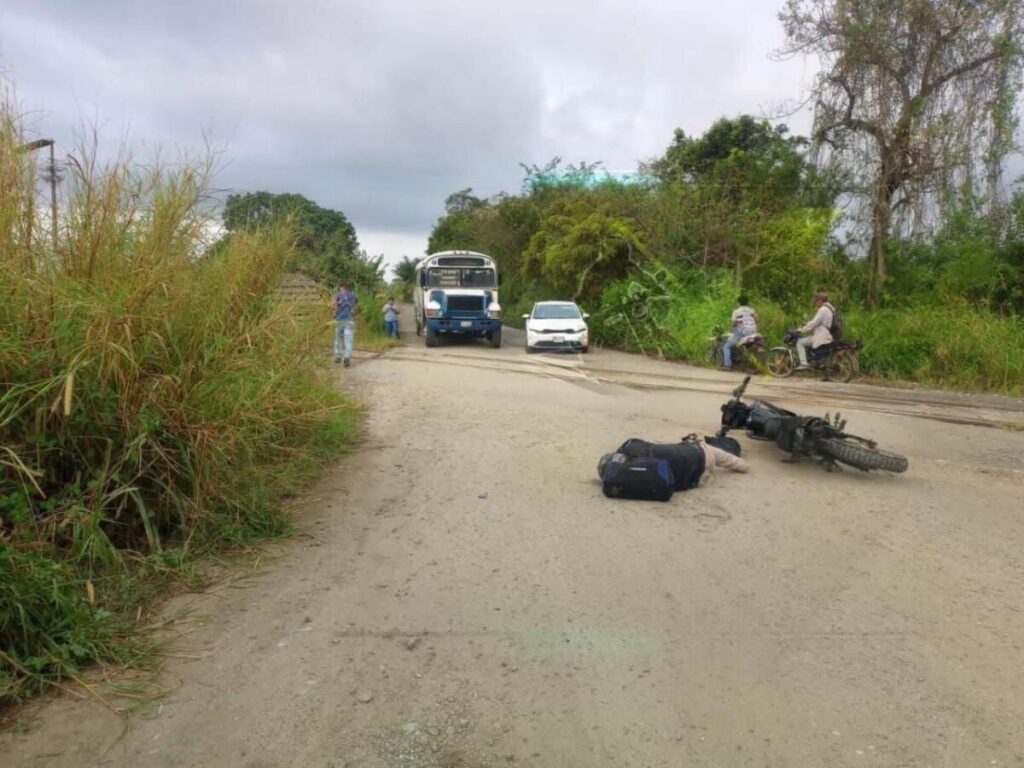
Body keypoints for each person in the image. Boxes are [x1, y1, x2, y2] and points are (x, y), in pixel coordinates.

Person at [795, 291, 834, 370]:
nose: (815, 303)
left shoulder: (823, 310)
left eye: (816, 301)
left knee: (800, 342)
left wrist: (801, 330)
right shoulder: (831, 308)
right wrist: (807, 324)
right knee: (809, 339)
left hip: (822, 336)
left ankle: (803, 363)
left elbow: (814, 323)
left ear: (820, 301)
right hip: (827, 334)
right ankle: (815, 362)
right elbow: (818, 323)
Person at [721, 294, 758, 370]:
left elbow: (733, 323)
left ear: (738, 303)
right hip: (754, 332)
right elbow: (757, 320)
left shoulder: (736, 312)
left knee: (727, 346)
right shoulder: (752, 310)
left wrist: (735, 325)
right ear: (748, 303)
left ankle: (727, 365)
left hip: (742, 333)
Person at [330, 282, 359, 367]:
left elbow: (332, 306)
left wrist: (338, 304)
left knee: (338, 339)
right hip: (349, 320)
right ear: (348, 288)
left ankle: (338, 356)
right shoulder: (353, 295)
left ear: (340, 287)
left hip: (340, 320)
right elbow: (357, 305)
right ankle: (347, 357)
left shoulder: (337, 295)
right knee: (348, 340)